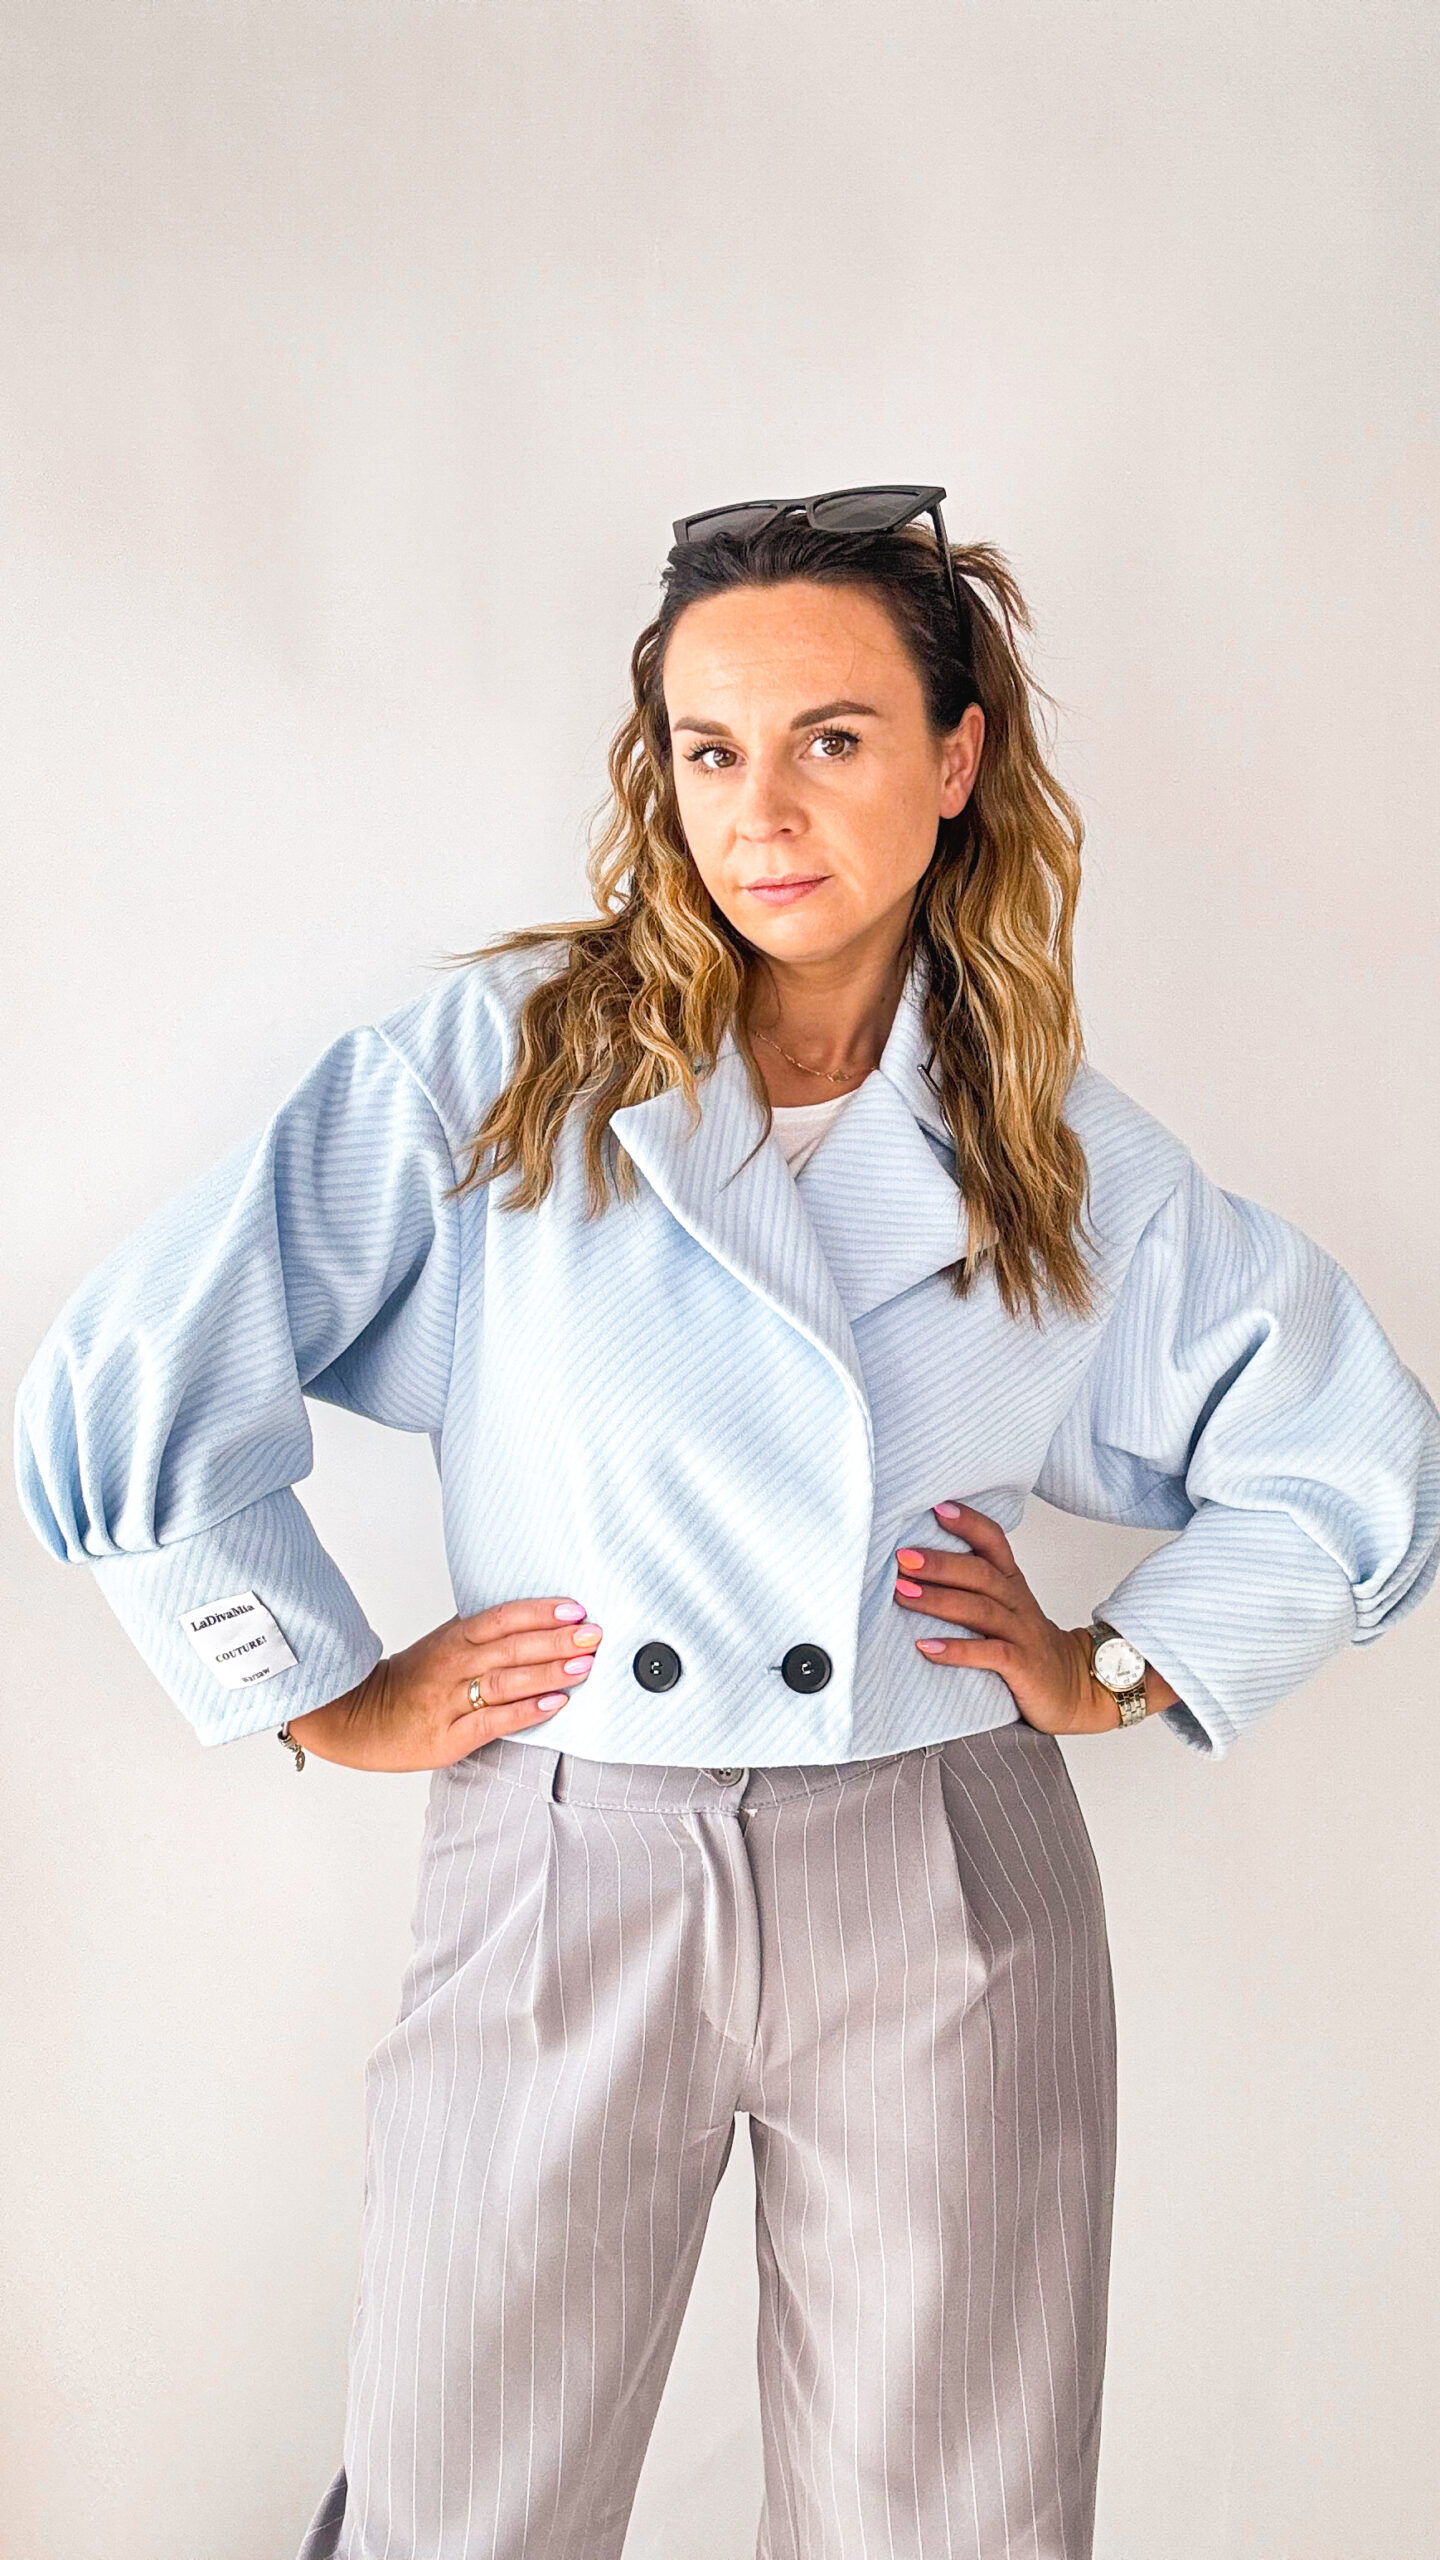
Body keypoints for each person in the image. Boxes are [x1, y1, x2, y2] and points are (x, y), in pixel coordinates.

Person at [15, 485, 1440, 2560]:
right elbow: (138, 1363)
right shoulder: (504, 1073)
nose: (759, 811)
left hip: (944, 1861)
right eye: (710, 749)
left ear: (954, 760)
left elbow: (1351, 1454)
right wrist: (316, 1684)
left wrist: (1121, 1662)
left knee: (953, 2522)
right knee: (461, 2505)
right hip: (568, 1854)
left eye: (831, 739)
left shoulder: (1051, 1143)